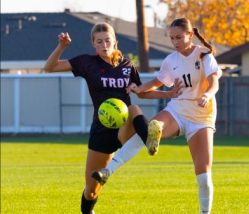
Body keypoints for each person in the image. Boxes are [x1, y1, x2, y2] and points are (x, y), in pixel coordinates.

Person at [44, 22, 182, 214]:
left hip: (124, 128)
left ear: (115, 41)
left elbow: (141, 92)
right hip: (101, 129)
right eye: (99, 41)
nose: (104, 45)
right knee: (91, 191)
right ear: (93, 43)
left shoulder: (127, 65)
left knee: (133, 107)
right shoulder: (87, 62)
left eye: (108, 40)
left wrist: (169, 94)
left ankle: (149, 140)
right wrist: (62, 46)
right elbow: (49, 68)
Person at [92, 18, 222, 214]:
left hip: (201, 118)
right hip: (177, 111)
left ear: (189, 35)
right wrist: (138, 88)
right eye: (172, 38)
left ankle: (205, 212)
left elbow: (215, 83)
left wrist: (207, 94)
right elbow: (156, 82)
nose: (175, 42)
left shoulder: (204, 55)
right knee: (147, 130)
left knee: (203, 174)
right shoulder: (171, 60)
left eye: (179, 37)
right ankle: (107, 171)